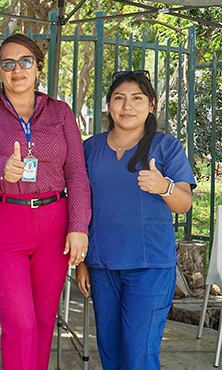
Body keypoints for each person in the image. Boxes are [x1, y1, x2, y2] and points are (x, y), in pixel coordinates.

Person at [0, 33, 91, 370]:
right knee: (20, 323)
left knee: (44, 321)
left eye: (25, 62)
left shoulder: (60, 112)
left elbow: (77, 172)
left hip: (54, 222)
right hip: (3, 222)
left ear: (38, 68)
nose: (17, 69)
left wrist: (78, 227)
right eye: (8, 63)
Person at [76, 70, 195, 370]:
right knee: (111, 352)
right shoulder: (90, 148)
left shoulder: (166, 147)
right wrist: (81, 262)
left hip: (149, 267)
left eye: (137, 99)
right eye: (119, 98)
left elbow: (184, 202)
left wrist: (163, 186)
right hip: (102, 266)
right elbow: (79, 205)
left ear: (152, 105)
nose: (127, 106)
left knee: (139, 354)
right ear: (108, 105)